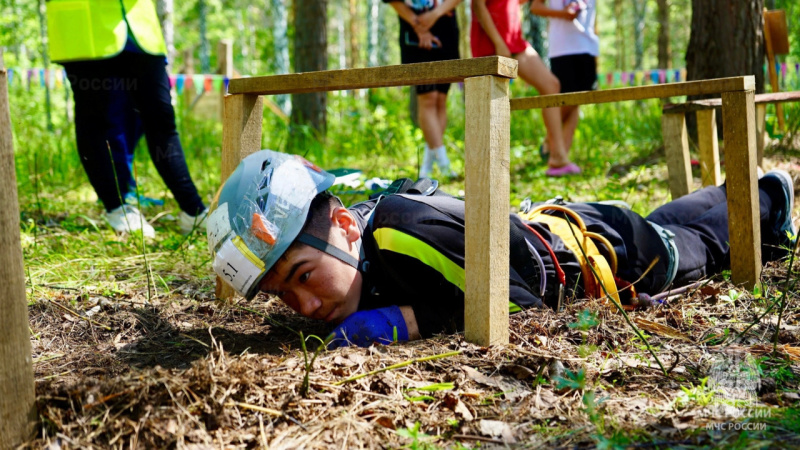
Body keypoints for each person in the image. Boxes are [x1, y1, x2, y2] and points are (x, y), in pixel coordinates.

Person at [208, 150, 796, 347]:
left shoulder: (396, 237)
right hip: (565, 223)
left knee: (692, 247)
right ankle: (734, 190)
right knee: (664, 222)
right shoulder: (361, 247)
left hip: (600, 253)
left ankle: (768, 198)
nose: (304, 307)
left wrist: (406, 321)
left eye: (304, 276)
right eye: (284, 295)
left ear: (343, 224)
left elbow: (524, 311)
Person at [47, 0, 207, 238]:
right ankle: (116, 207)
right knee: (96, 121)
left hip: (140, 28)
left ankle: (193, 210)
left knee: (161, 116)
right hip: (84, 24)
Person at [471, 0, 579, 177]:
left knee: (551, 85)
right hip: (492, 41)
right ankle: (484, 168)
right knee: (491, 105)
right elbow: (478, 5)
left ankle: (558, 157)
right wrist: (498, 42)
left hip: (514, 39)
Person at [384, 0, 462, 178]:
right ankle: (444, 164)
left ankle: (426, 167)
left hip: (447, 31)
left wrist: (435, 14)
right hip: (414, 35)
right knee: (428, 98)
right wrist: (420, 27)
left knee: (441, 98)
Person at [530, 0, 599, 162]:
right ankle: (558, 156)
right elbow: (535, 7)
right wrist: (563, 14)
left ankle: (557, 150)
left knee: (577, 99)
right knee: (568, 98)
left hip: (588, 44)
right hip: (562, 47)